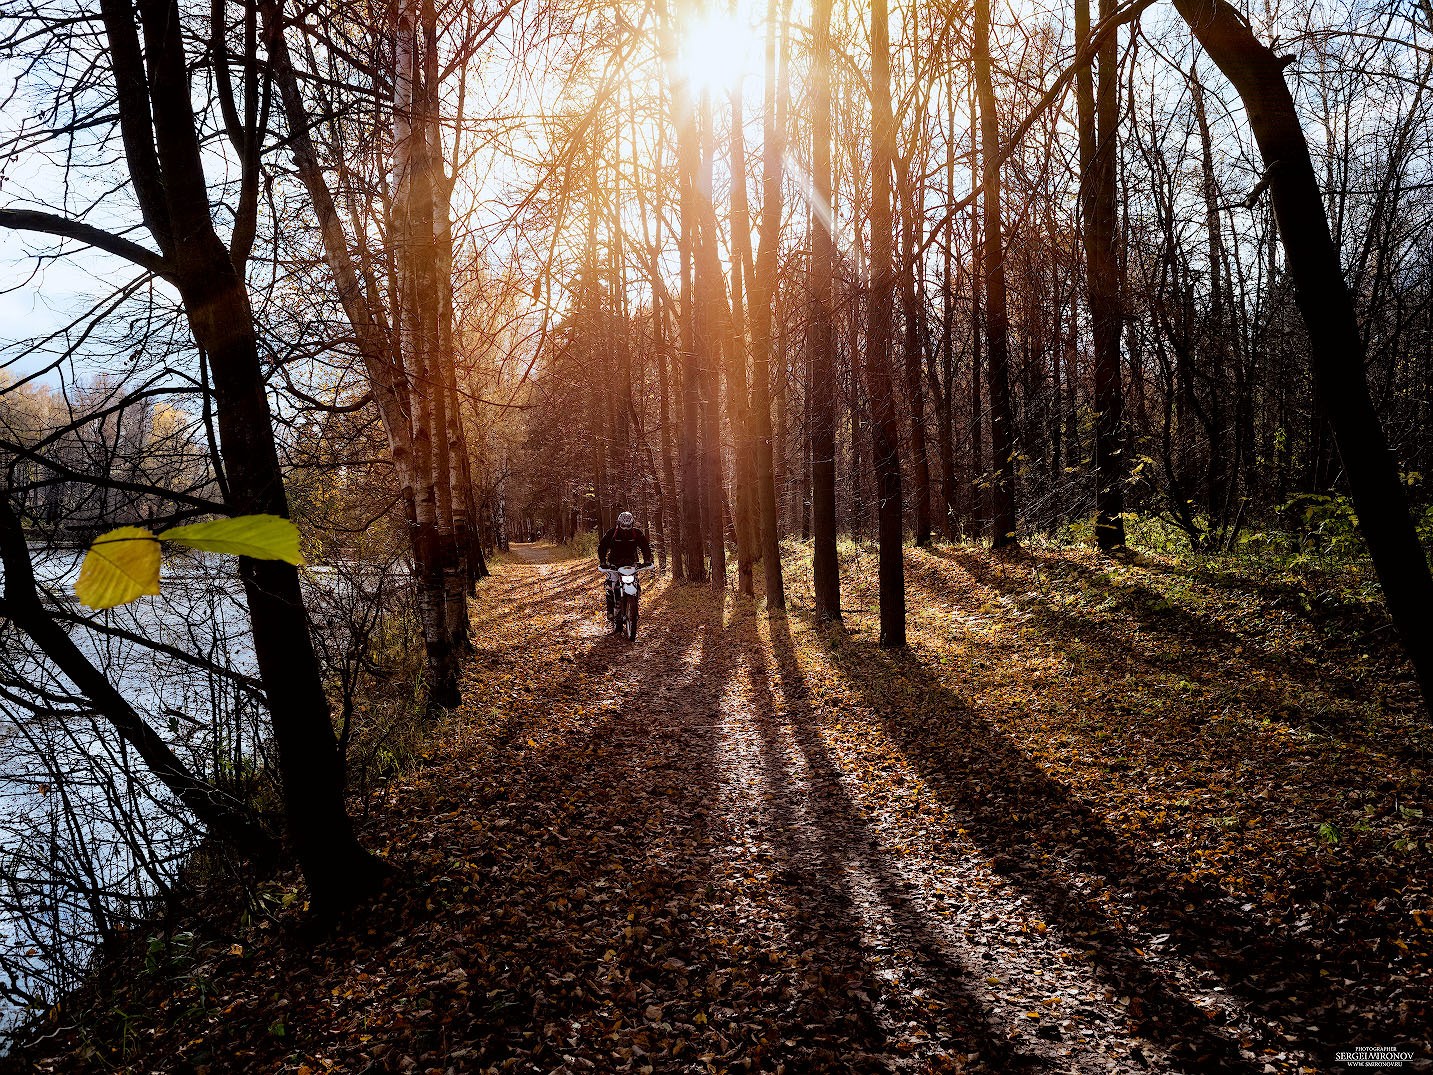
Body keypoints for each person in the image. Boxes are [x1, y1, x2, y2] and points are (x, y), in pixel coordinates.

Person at [598, 511, 653, 625]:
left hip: (630, 563)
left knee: (636, 584)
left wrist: (647, 560)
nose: (626, 529)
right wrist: (603, 562)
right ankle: (611, 610)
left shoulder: (637, 533)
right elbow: (602, 547)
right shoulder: (612, 533)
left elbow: (645, 546)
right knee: (611, 585)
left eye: (628, 526)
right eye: (623, 526)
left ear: (632, 524)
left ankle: (633, 604)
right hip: (614, 563)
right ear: (619, 524)